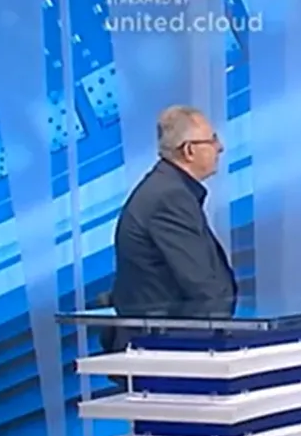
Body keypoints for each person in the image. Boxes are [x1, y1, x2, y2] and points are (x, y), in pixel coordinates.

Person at [101, 105, 237, 353]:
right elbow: (202, 284)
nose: (220, 147)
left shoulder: (168, 188)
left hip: (168, 340)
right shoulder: (169, 197)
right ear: (189, 150)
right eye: (212, 140)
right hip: (165, 347)